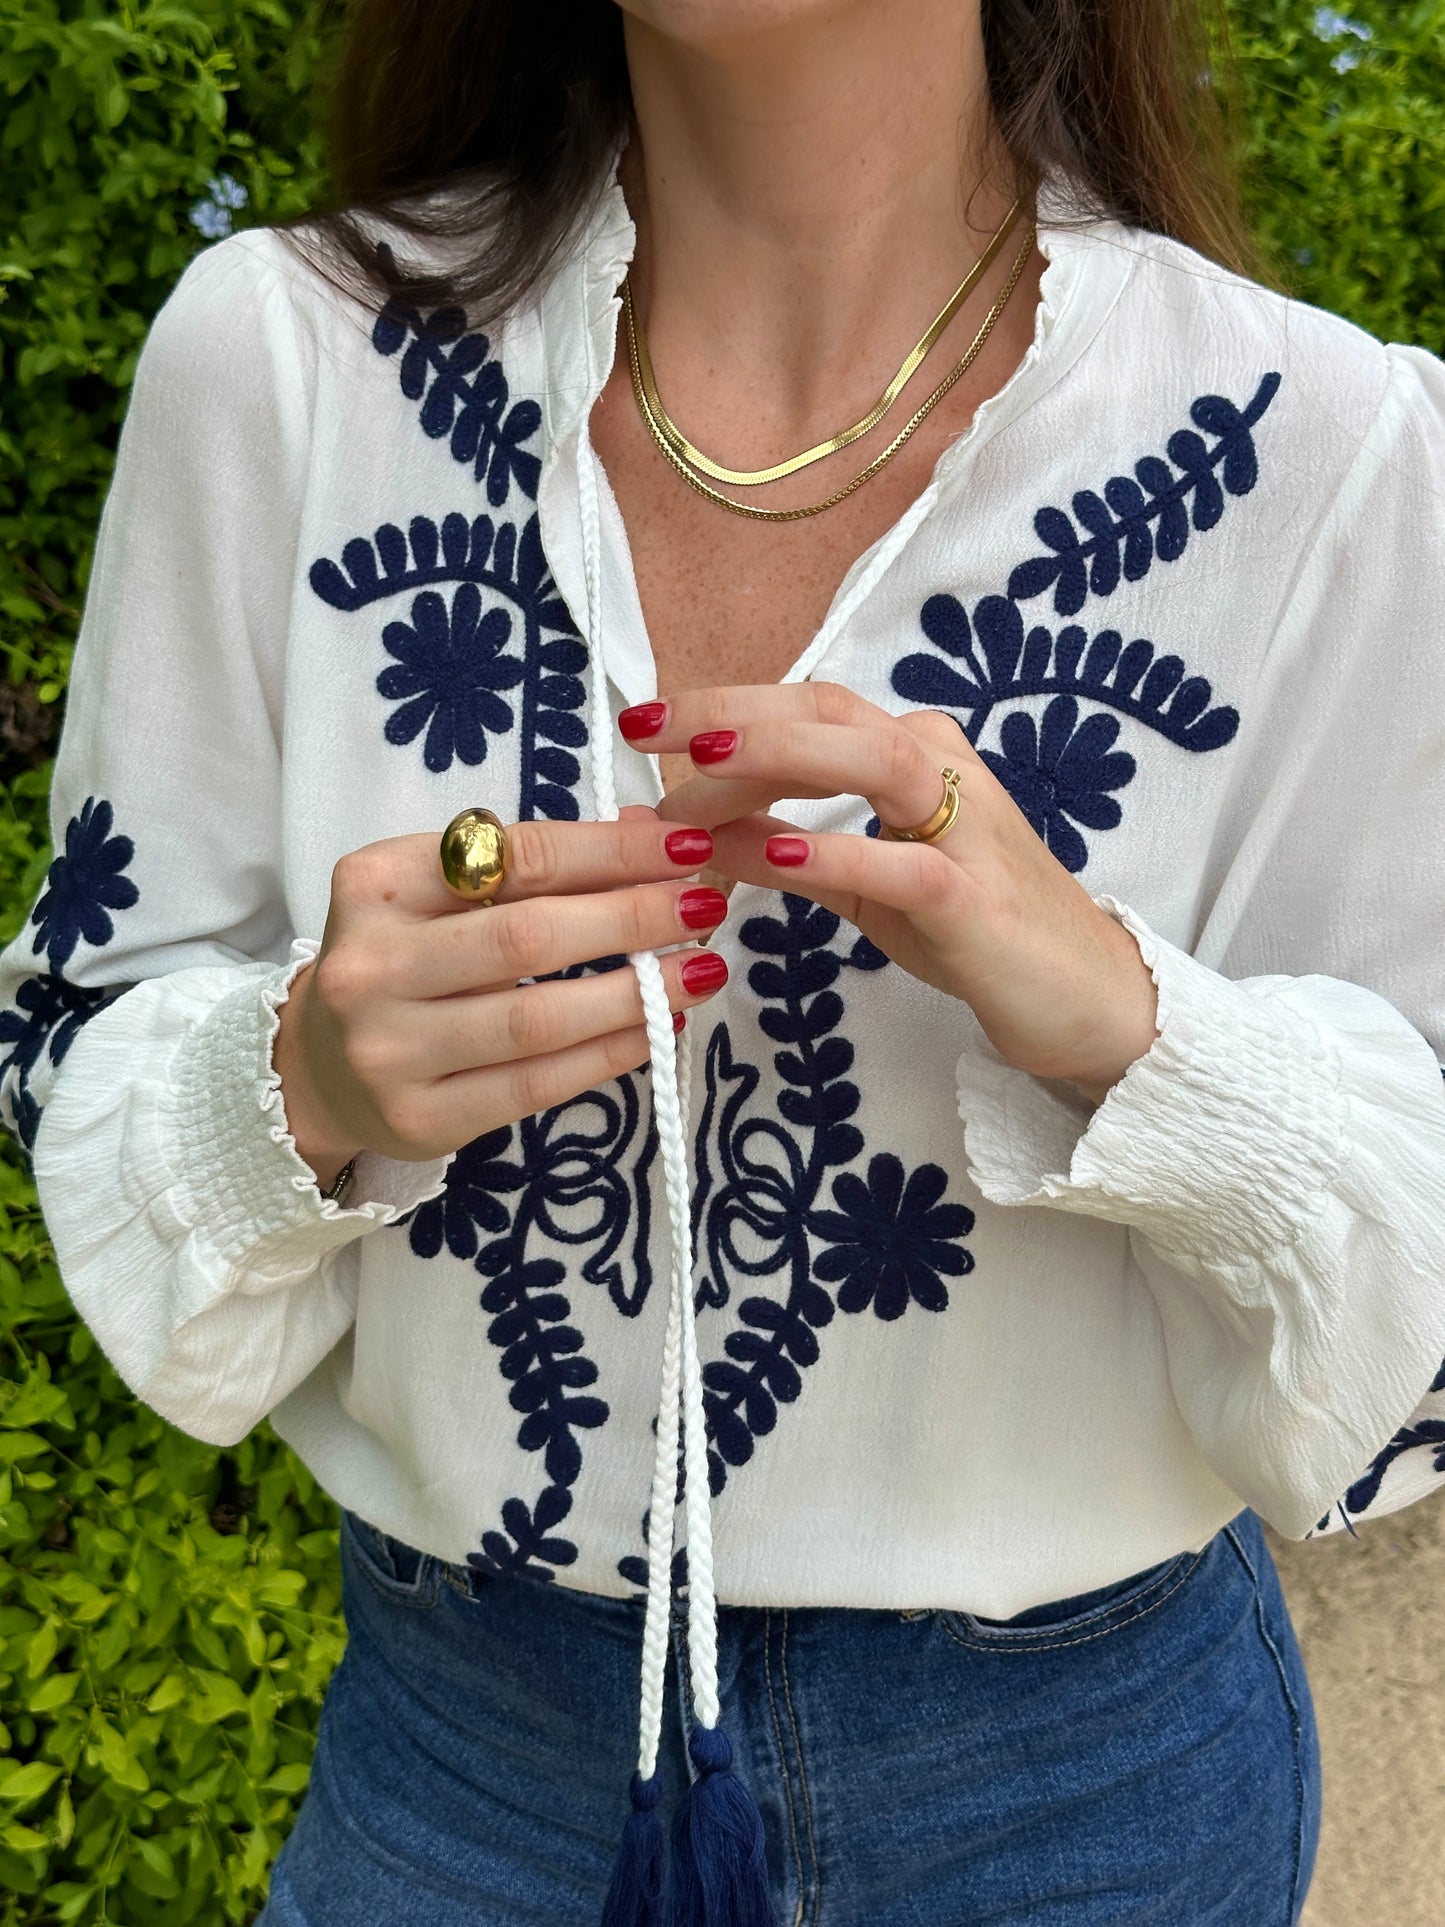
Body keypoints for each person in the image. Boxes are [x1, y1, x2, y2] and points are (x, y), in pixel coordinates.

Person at [4, 0, 1445, 1920]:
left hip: (1081, 1806)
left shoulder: (1317, 453)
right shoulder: (283, 360)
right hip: (465, 1775)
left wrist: (1138, 1034)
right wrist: (295, 1084)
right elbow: (84, 1023)